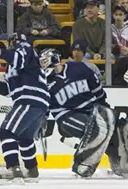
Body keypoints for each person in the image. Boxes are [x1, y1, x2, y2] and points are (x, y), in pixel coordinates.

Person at [39, 49, 128, 178]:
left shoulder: (78, 68)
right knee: (98, 130)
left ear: (53, 59)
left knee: (115, 132)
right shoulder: (45, 82)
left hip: (93, 110)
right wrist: (42, 118)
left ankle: (119, 165)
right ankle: (82, 163)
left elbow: (97, 89)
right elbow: (43, 103)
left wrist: (105, 109)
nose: (42, 65)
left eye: (44, 61)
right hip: (67, 116)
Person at [0, 33, 50, 183]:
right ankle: (32, 169)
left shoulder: (25, 48)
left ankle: (14, 169)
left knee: (7, 132)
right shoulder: (14, 67)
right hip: (36, 102)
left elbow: (17, 58)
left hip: (29, 99)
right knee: (24, 137)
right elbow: (9, 90)